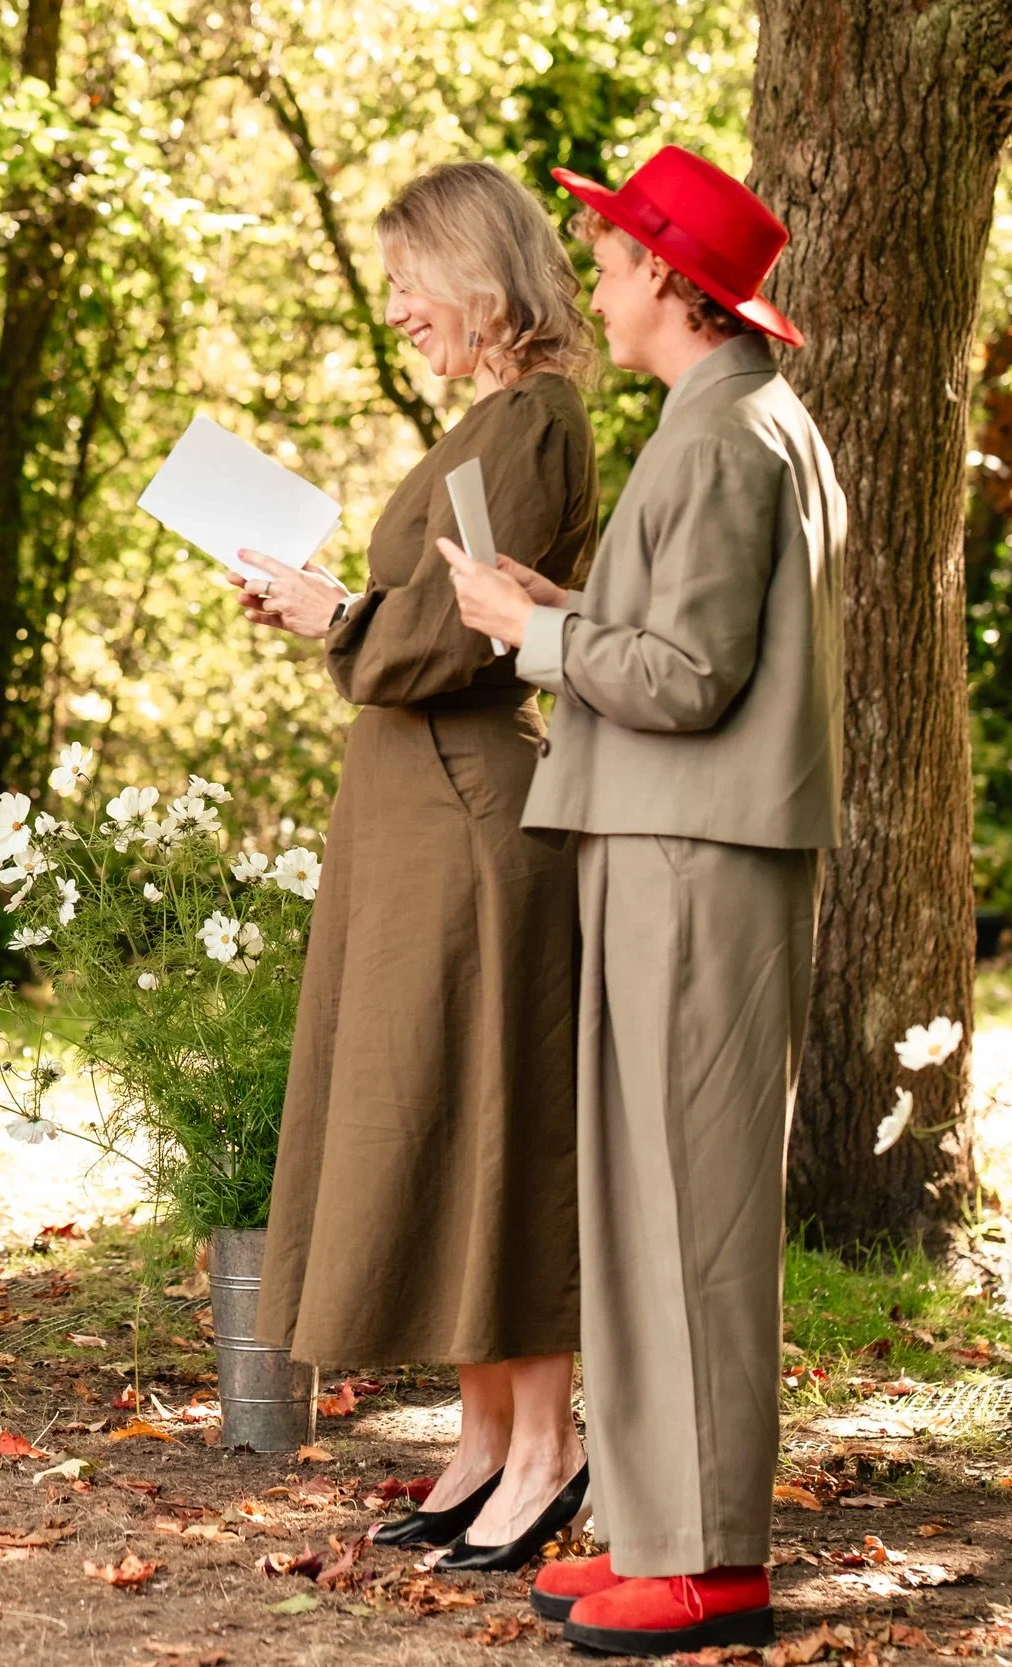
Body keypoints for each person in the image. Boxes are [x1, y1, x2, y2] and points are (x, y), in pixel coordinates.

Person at [441, 146, 845, 1653]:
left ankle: (707, 1553)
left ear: (671, 281)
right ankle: (662, 1524)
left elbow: (689, 679)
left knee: (690, 1208)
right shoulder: (724, 417)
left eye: (610, 262)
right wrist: (561, 608)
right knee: (648, 1200)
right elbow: (670, 631)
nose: (594, 287)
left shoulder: (730, 433)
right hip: (670, 845)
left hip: (697, 857)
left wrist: (534, 644)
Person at [231, 160, 597, 1570]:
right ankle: (485, 1434)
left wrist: (341, 615)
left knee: (499, 1120)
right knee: (438, 1121)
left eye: (409, 281)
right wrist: (334, 615)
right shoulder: (488, 420)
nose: (396, 308)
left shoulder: (537, 421)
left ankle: (549, 1444)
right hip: (408, 811)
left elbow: (458, 633)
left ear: (480, 275)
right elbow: (424, 612)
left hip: (464, 816)